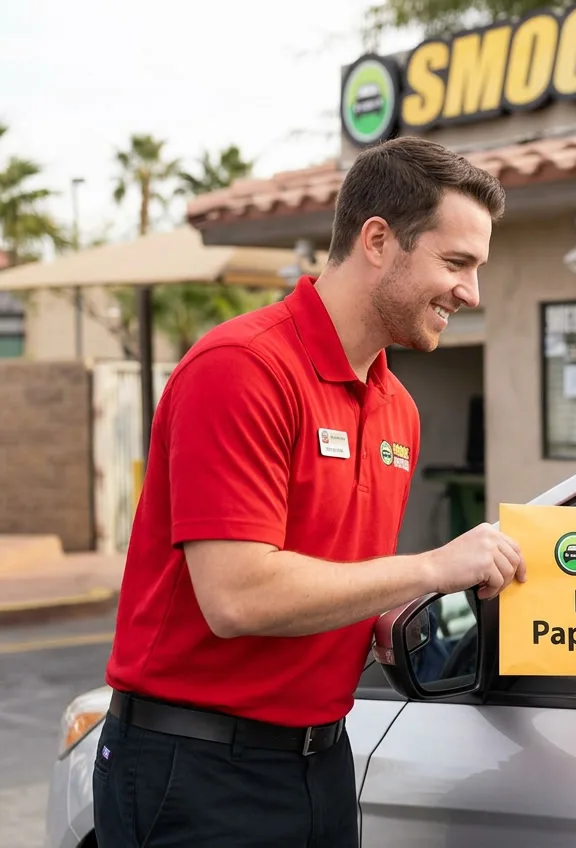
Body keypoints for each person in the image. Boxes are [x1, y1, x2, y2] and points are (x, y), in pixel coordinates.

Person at [93, 136, 525, 848]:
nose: (470, 293)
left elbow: (326, 575)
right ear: (378, 241)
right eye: (456, 263)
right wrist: (429, 567)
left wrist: (381, 614)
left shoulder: (398, 410)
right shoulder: (242, 368)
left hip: (321, 760)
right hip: (196, 768)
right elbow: (239, 597)